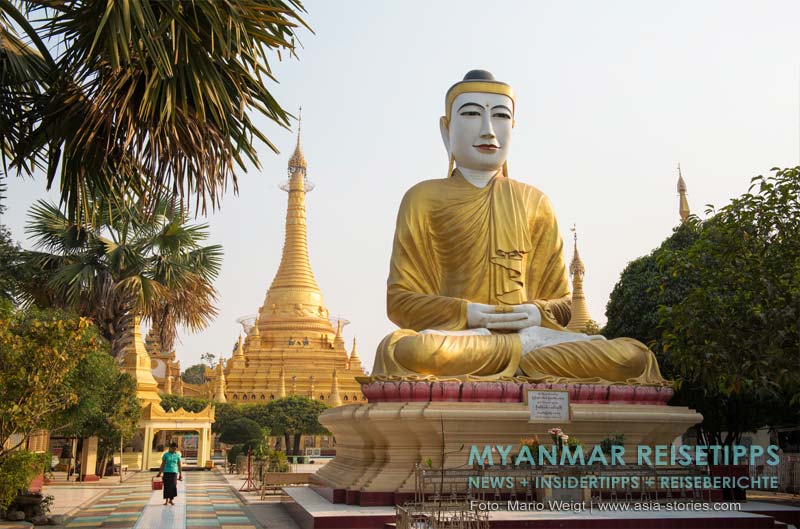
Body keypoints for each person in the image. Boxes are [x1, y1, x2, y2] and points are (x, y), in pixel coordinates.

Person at [372, 70, 669, 385]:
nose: (488, 130)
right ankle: (522, 356)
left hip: (535, 337)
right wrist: (469, 314)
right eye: (472, 114)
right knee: (409, 350)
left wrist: (536, 313)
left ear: (512, 127)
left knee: (633, 357)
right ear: (447, 130)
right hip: (464, 341)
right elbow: (400, 301)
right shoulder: (423, 198)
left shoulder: (535, 201)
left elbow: (564, 305)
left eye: (500, 116)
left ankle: (523, 353)